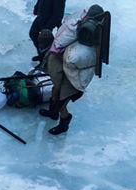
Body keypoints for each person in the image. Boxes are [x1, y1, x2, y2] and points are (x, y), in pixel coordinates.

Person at [39, 4, 104, 135]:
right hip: (67, 69)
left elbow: (81, 59)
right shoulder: (77, 30)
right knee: (55, 89)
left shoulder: (90, 41)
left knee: (61, 103)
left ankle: (64, 122)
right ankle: (52, 113)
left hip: (74, 77)